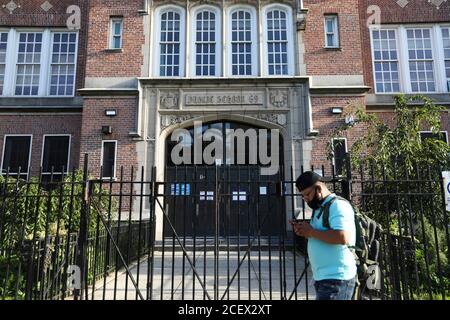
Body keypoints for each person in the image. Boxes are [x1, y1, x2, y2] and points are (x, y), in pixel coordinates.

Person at [289, 171, 357, 300]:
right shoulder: (319, 208)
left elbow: (343, 237)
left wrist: (311, 232)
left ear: (319, 188)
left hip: (337, 278)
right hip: (324, 278)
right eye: (303, 196)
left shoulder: (338, 205)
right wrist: (304, 231)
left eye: (307, 194)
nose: (306, 199)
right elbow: (320, 235)